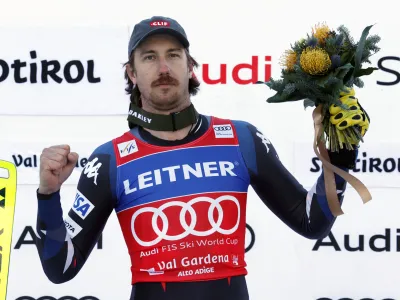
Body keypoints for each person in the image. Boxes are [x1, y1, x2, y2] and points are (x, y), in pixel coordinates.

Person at [34, 16, 370, 300]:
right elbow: (60, 268)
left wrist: (341, 150)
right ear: (132, 74)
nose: (163, 67)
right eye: (149, 57)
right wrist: (48, 196)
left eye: (174, 55)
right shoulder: (110, 160)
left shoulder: (241, 139)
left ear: (191, 66)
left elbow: (311, 221)